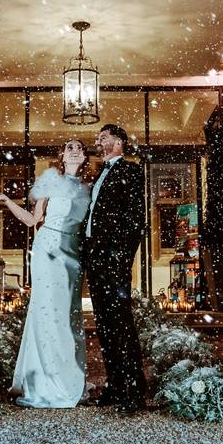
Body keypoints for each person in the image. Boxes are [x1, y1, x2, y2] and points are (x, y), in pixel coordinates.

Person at [0, 139, 91, 408]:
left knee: (69, 317)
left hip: (74, 253)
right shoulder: (51, 182)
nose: (75, 150)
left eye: (79, 147)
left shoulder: (88, 189)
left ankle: (68, 378)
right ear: (61, 156)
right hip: (48, 250)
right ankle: (43, 379)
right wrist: (7, 200)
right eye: (70, 147)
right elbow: (33, 220)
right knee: (47, 312)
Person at [82, 124, 148, 415]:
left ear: (120, 142)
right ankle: (115, 384)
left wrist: (121, 259)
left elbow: (134, 220)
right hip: (95, 260)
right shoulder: (99, 174)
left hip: (114, 261)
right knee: (105, 325)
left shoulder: (131, 172)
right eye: (98, 138)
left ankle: (134, 391)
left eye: (104, 137)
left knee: (121, 324)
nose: (98, 141)